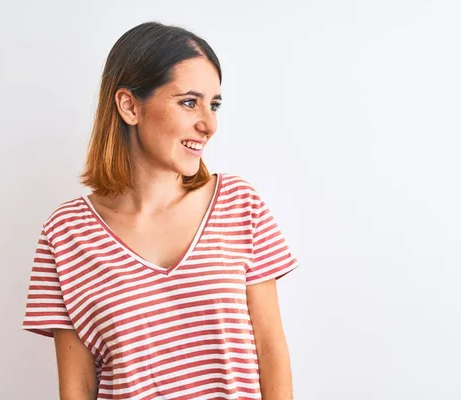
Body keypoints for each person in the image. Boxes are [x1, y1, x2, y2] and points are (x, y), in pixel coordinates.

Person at [22, 21, 299, 400]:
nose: (209, 124)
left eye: (214, 104)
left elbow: (271, 353)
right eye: (189, 102)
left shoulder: (239, 204)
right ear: (129, 105)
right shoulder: (66, 233)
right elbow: (78, 387)